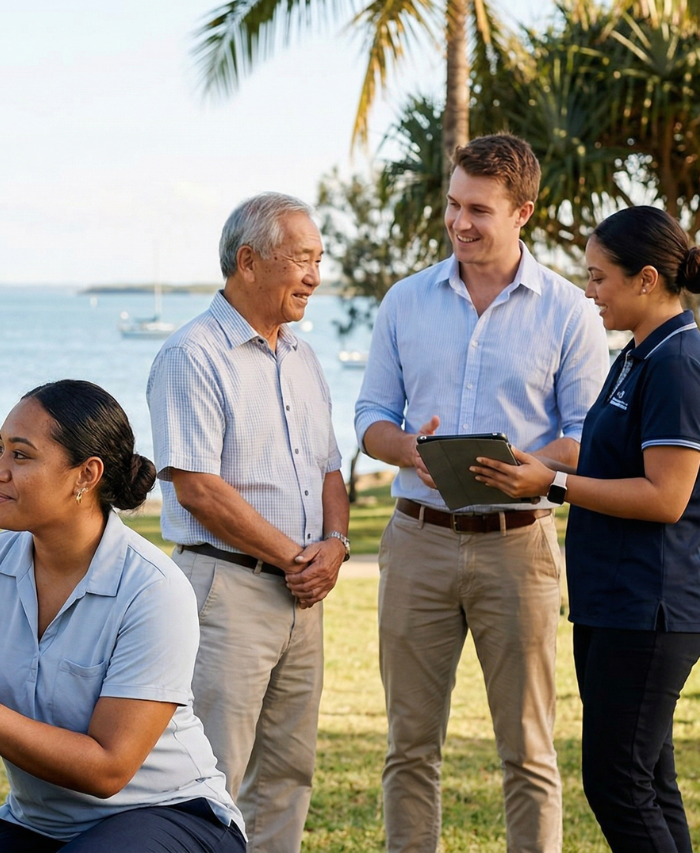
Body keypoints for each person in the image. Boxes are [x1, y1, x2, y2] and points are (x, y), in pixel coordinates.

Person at [353, 133, 609, 853]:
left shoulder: (567, 310)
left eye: (479, 209)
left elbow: (586, 432)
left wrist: (532, 468)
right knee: (409, 746)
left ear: (522, 211)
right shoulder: (405, 302)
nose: (460, 222)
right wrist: (407, 448)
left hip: (519, 545)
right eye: (453, 204)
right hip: (416, 539)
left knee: (528, 751)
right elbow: (370, 416)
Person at [0, 379, 246, 853]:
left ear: (85, 475)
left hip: (169, 814)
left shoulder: (152, 589)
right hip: (36, 823)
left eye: (21, 455)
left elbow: (108, 770)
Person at [472, 206, 700, 853]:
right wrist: (535, 462)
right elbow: (601, 456)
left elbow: (667, 495)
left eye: (599, 279)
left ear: (647, 279)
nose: (590, 292)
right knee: (649, 782)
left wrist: (548, 484)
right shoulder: (634, 354)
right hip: (609, 602)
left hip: (651, 605)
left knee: (616, 783)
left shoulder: (678, 362)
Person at [145, 192, 349, 853]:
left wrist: (337, 546)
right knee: (211, 772)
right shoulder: (192, 355)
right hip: (227, 591)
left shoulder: (303, 356)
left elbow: (329, 467)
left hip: (302, 594)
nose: (314, 276)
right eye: (302, 260)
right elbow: (200, 488)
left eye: (319, 259)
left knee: (289, 773)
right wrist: (299, 555)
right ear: (249, 260)